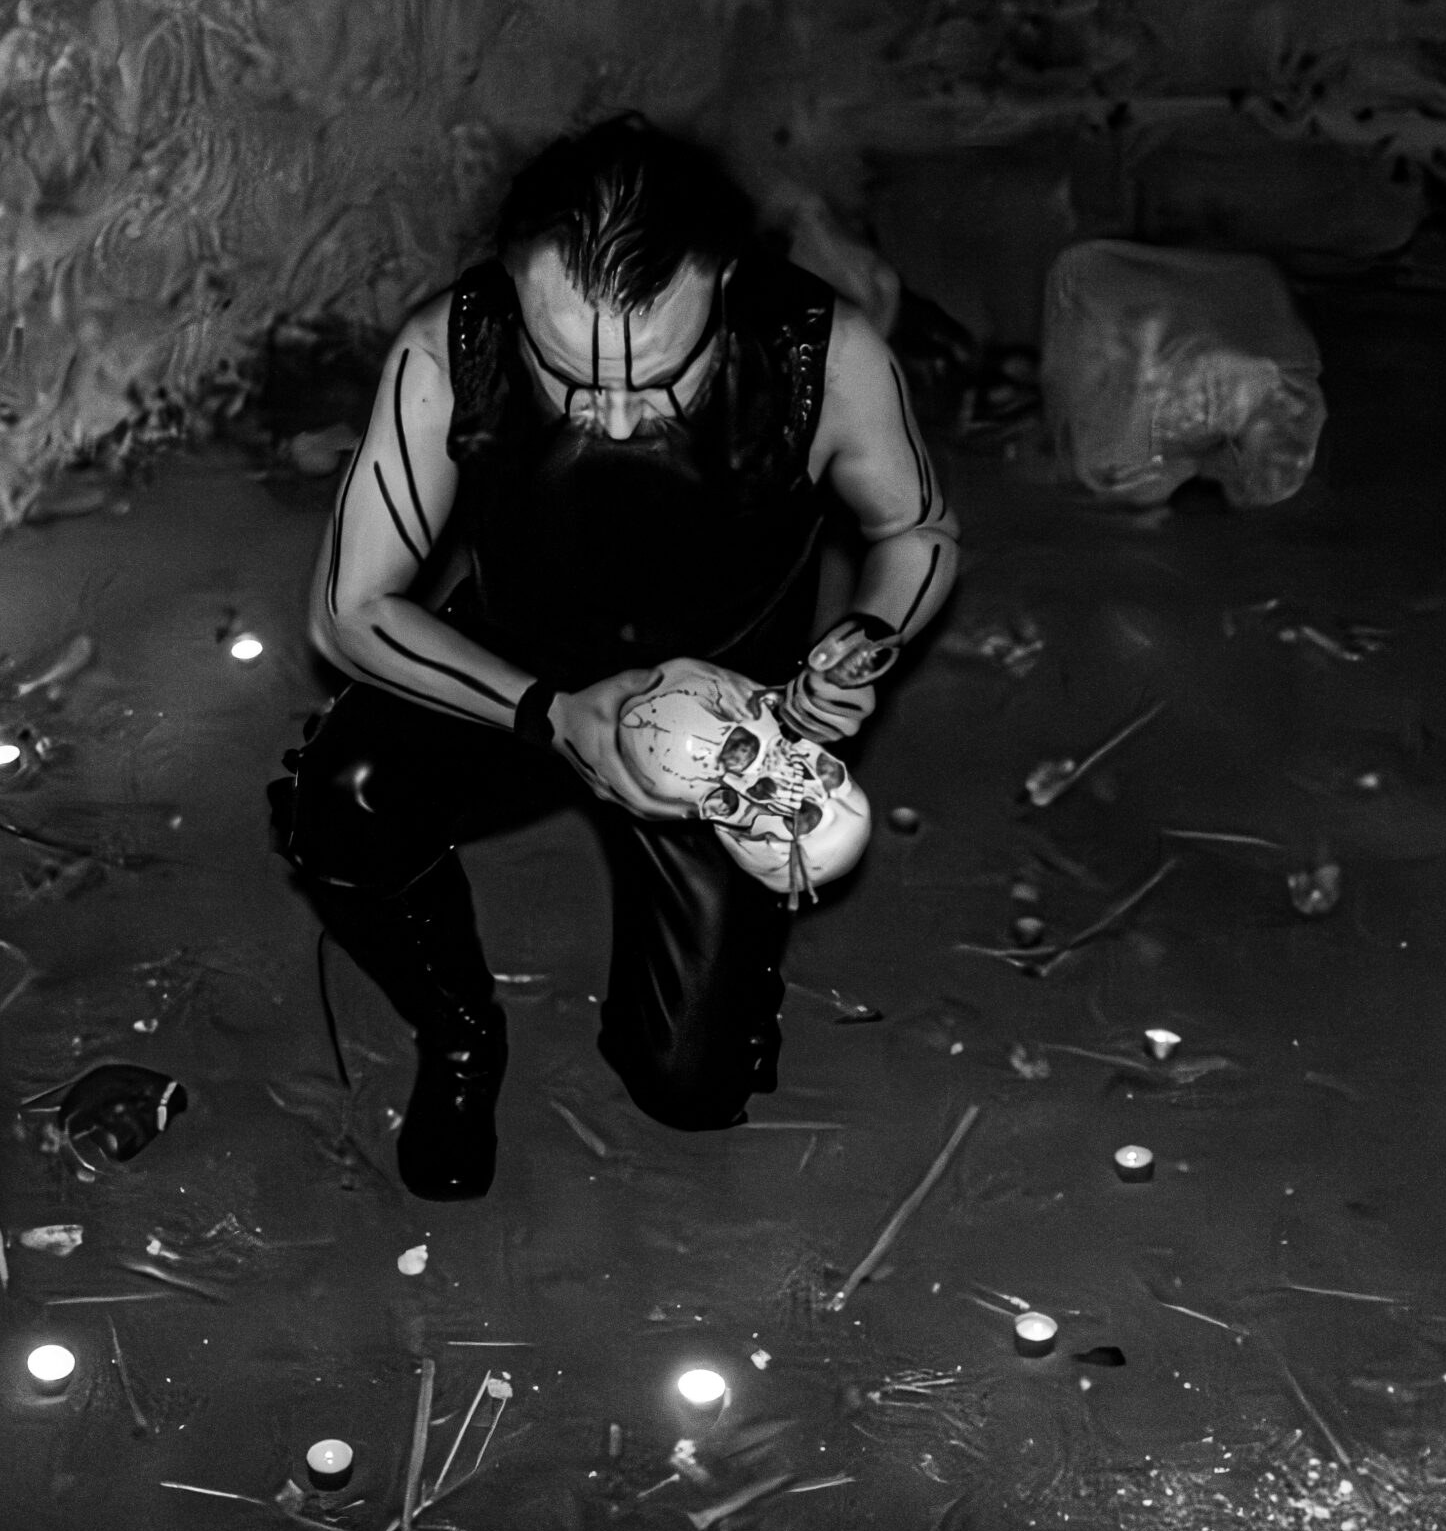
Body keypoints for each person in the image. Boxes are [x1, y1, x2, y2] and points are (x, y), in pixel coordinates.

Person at [267, 114, 959, 1201]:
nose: (619, 420)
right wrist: (549, 713)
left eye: (659, 377)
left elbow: (915, 529)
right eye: (571, 377)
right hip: (521, 669)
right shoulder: (452, 343)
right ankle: (458, 1036)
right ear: (514, 291)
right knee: (340, 795)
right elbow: (350, 608)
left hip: (725, 717)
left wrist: (866, 639)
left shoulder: (821, 354)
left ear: (723, 283)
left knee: (692, 1088)